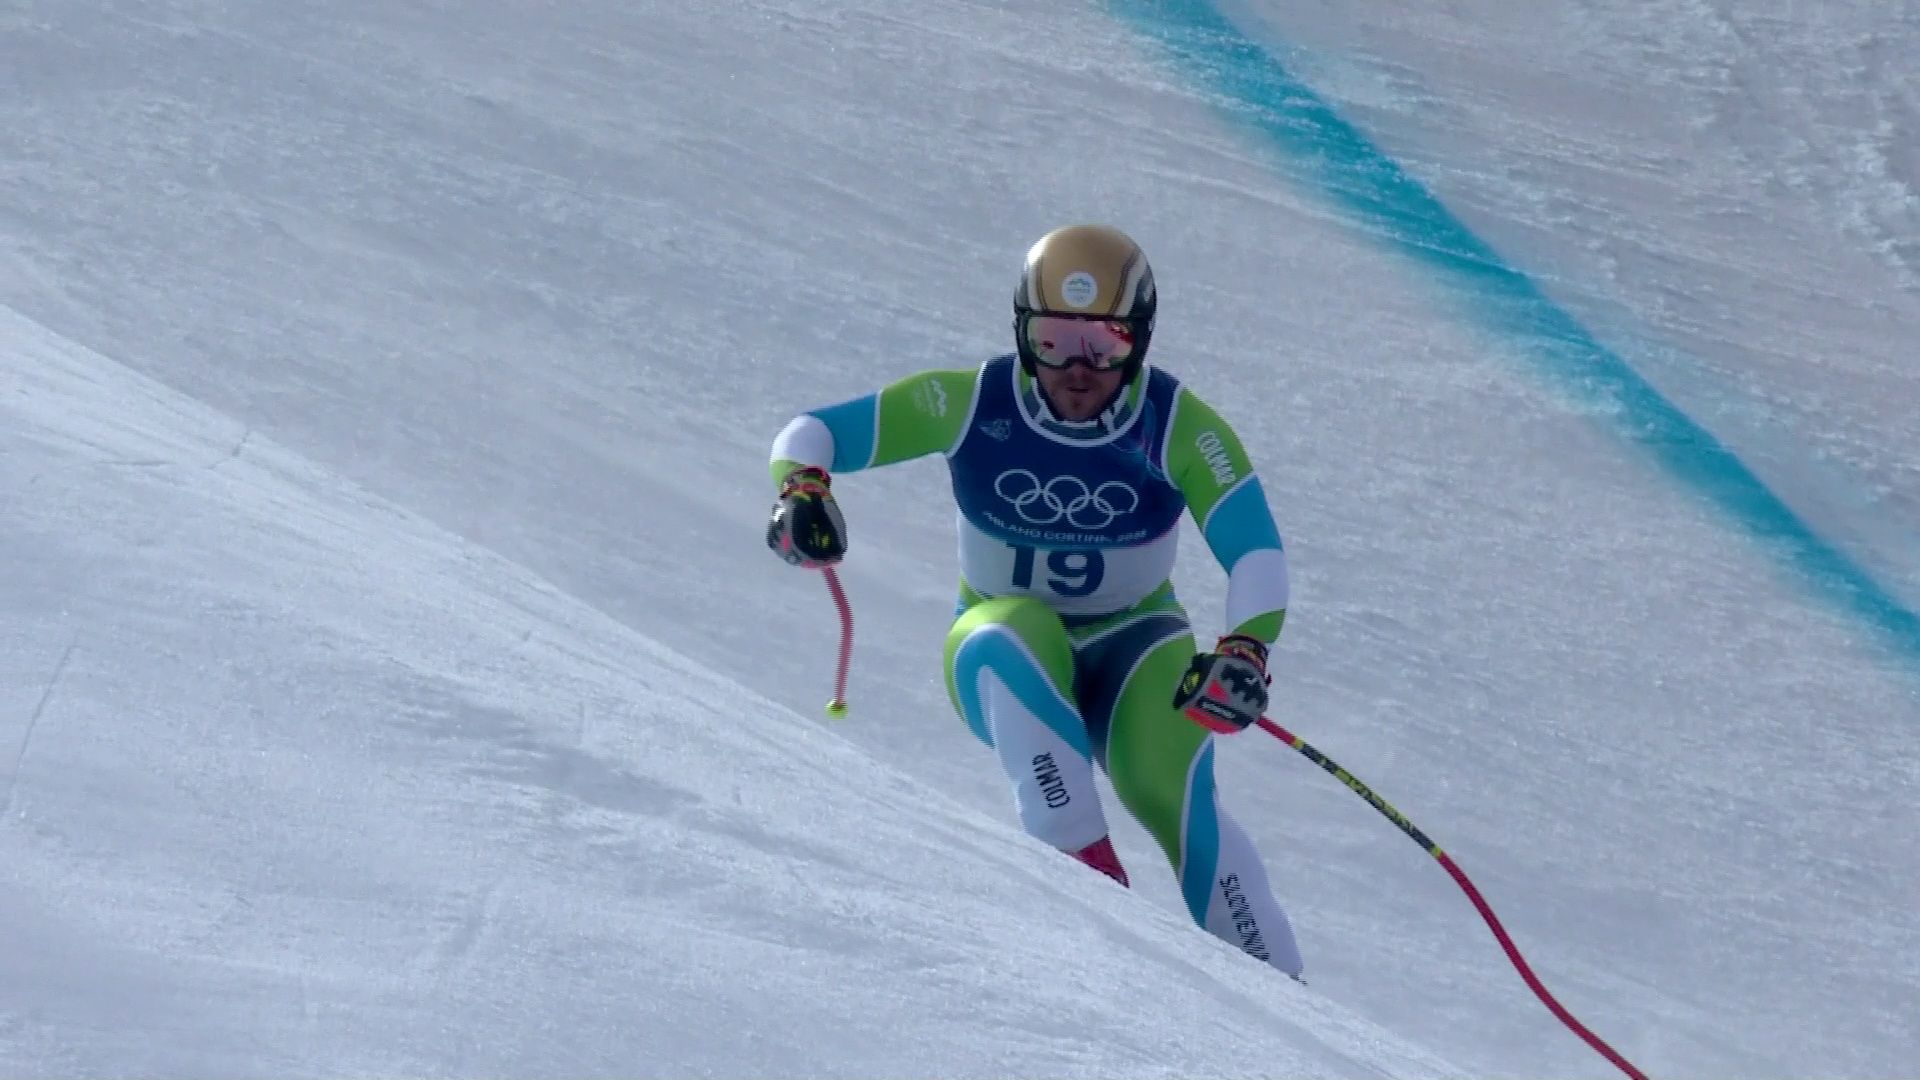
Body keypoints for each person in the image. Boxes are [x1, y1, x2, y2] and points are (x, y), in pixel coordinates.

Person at [764, 224, 1304, 978]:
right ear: (1022, 333)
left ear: (1140, 341)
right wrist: (803, 489)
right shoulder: (969, 402)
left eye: (1104, 345)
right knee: (1008, 639)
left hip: (1136, 646)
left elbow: (1256, 550)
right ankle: (1099, 923)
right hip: (1001, 645)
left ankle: (1287, 1003)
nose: (1077, 371)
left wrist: (1245, 647)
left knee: (1167, 788)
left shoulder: (1177, 424)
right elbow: (813, 432)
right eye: (1053, 342)